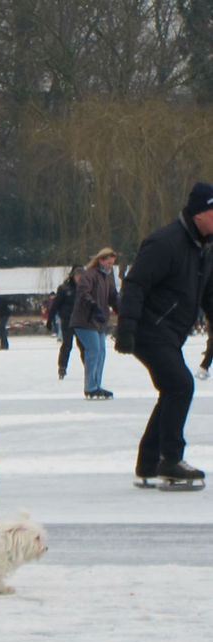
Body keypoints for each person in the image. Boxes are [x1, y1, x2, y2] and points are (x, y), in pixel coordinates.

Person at [114, 182, 213, 485]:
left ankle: (148, 463)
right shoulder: (166, 242)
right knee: (181, 385)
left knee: (172, 389)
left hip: (170, 332)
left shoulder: (203, 248)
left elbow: (207, 293)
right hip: (149, 329)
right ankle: (170, 459)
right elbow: (135, 284)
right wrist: (127, 329)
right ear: (199, 214)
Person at [70, 247, 119, 399]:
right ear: (100, 260)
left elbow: (113, 296)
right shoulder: (89, 275)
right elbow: (83, 293)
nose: (110, 267)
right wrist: (94, 307)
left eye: (112, 264)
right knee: (94, 351)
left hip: (99, 321)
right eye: (109, 263)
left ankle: (96, 384)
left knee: (101, 353)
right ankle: (90, 387)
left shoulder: (108, 278)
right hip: (85, 320)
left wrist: (121, 309)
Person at [46, 266, 86, 379]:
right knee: (67, 344)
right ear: (73, 276)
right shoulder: (64, 289)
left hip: (81, 321)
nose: (79, 278)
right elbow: (56, 305)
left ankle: (88, 367)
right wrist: (50, 319)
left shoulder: (86, 287)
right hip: (68, 320)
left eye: (81, 276)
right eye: (77, 276)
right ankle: (62, 367)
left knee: (83, 345)